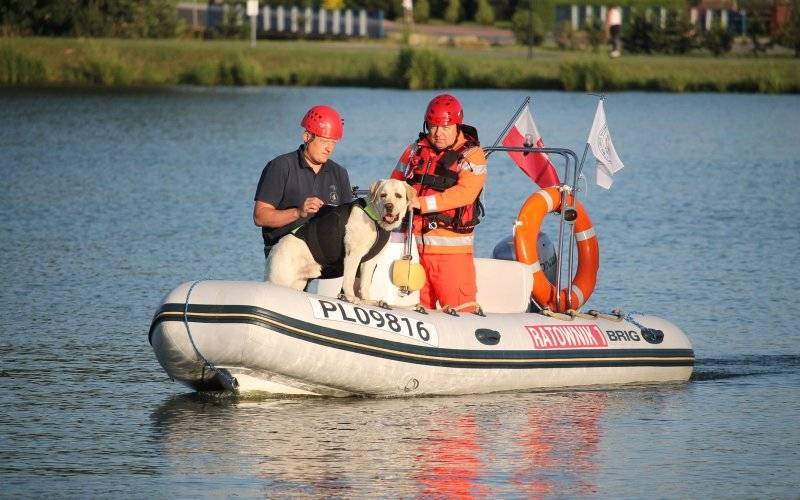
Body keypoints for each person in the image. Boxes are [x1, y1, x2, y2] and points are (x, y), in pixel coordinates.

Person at [391, 94, 487, 313]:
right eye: (433, 127)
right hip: (412, 250)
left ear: (457, 125)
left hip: (451, 256)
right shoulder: (414, 151)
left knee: (461, 312)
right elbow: (394, 183)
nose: (438, 133)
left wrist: (421, 203)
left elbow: (464, 194)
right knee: (414, 311)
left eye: (445, 127)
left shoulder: (473, 156)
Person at [253, 105, 353, 270]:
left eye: (333, 143)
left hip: (324, 256)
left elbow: (347, 224)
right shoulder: (281, 166)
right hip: (283, 253)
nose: (329, 148)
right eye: (324, 141)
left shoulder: (339, 173)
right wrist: (298, 212)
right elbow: (260, 216)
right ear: (307, 136)